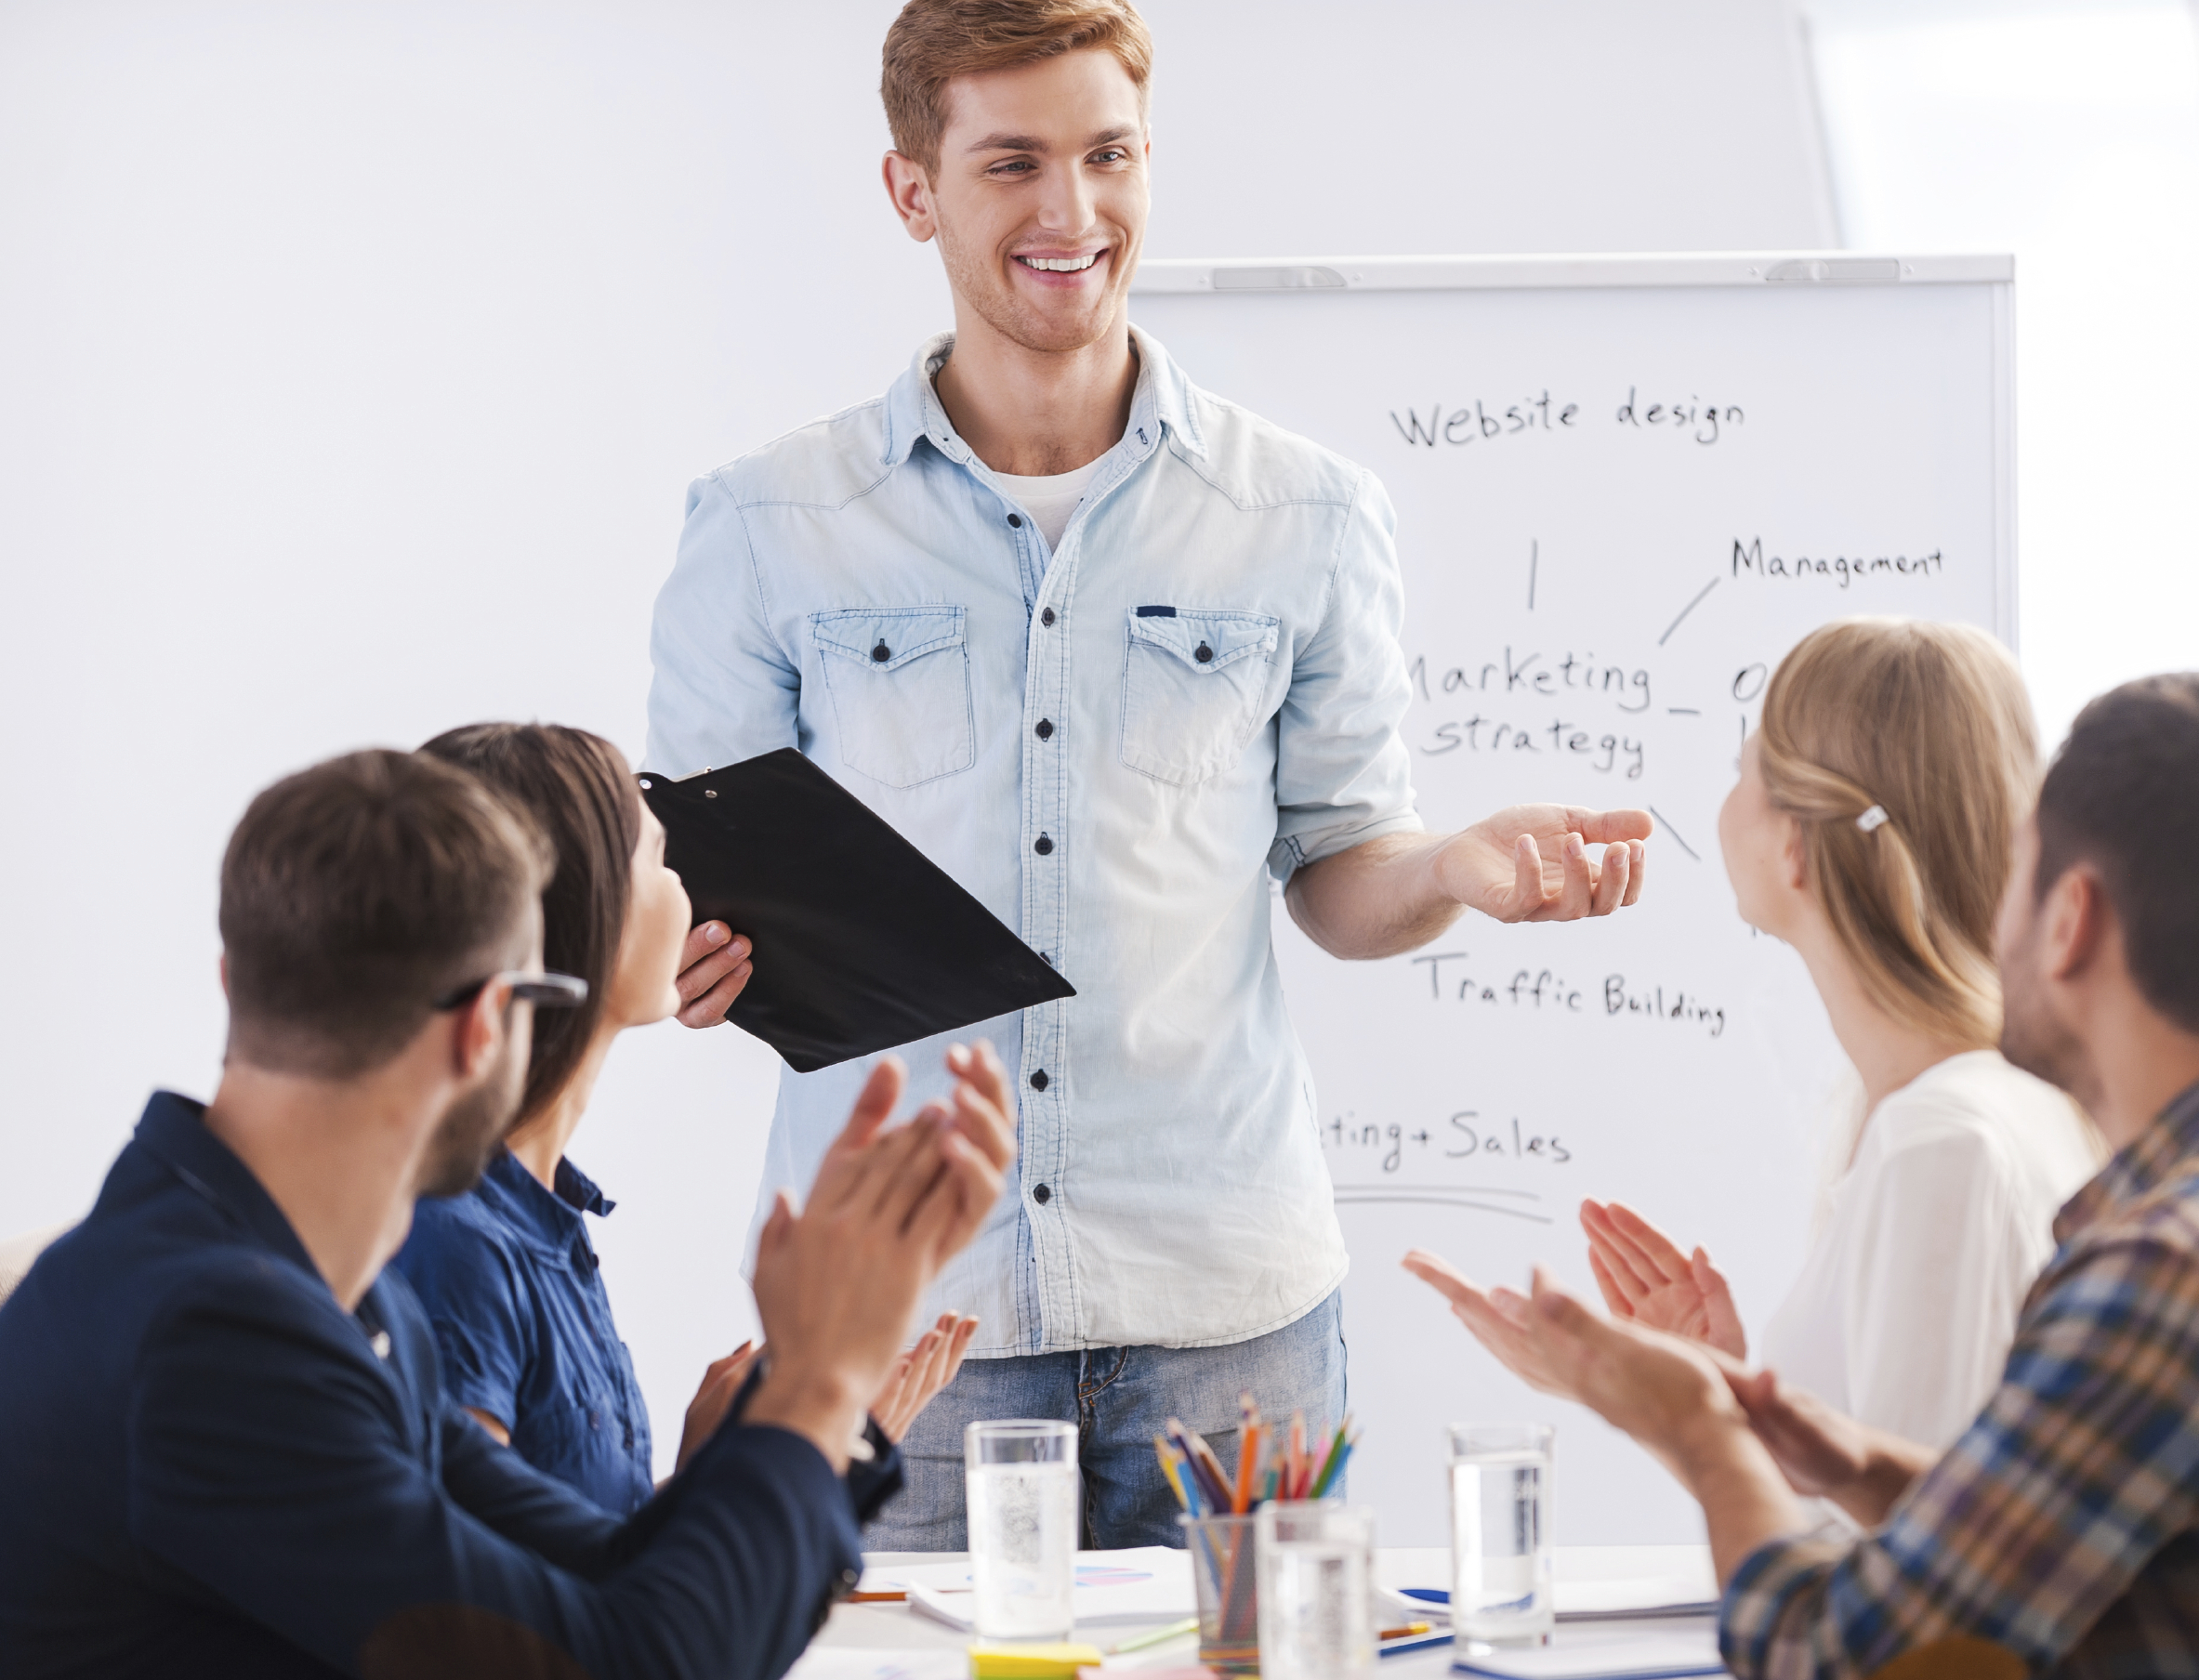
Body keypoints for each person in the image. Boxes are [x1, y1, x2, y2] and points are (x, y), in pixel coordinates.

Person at [646, 0, 1650, 1547]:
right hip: (909, 1325)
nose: (1071, 213)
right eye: (1010, 165)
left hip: (1230, 1322)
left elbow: (1337, 872)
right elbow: (689, 893)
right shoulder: (767, 524)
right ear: (912, 190)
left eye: (1107, 155)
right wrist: (689, 962)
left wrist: (1444, 868)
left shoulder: (1305, 514)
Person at [1410, 673, 2199, 1678]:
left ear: (2071, 918)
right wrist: (1849, 1459)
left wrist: (1699, 1426)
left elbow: (1840, 1657)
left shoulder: (2172, 1273)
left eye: (2016, 873)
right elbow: (2070, 1515)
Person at [0, 749, 1016, 1678]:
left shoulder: (276, 1285)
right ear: (490, 1024)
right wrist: (817, 1373)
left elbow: (612, 1574)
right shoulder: (216, 1336)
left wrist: (818, 1408)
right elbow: (630, 1664)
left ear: (239, 977)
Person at [1420, 618, 2100, 1457]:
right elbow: (1871, 1488)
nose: (1721, 803)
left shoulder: (1943, 1144)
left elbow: (1905, 1566)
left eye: (1744, 771)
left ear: (1794, 847)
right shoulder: (1962, 1107)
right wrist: (1712, 1383)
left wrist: (1677, 1412)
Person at [393, 722, 978, 1516]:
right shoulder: (453, 1245)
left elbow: (575, 1555)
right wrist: (793, 1434)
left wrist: (789, 1447)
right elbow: (489, 1618)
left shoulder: (536, 1223)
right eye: (662, 857)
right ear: (588, 911)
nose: (691, 887)